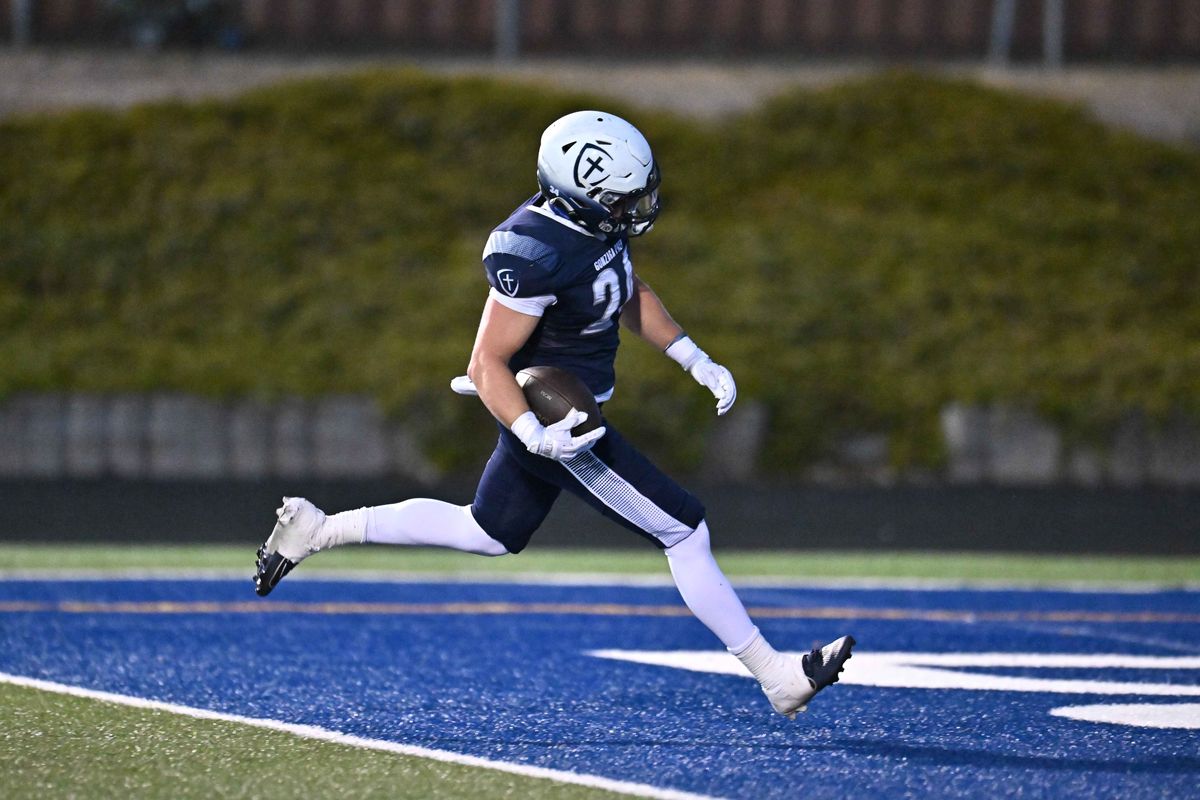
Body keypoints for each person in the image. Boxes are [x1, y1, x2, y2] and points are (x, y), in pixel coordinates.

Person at [253, 110, 854, 717]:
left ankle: (320, 529)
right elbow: (488, 361)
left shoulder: (590, 227)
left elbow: (625, 290)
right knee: (683, 530)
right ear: (581, 195)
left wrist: (692, 357)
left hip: (556, 416)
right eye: (622, 199)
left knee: (487, 531)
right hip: (557, 423)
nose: (637, 208)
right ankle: (775, 674)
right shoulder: (533, 249)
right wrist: (532, 435)